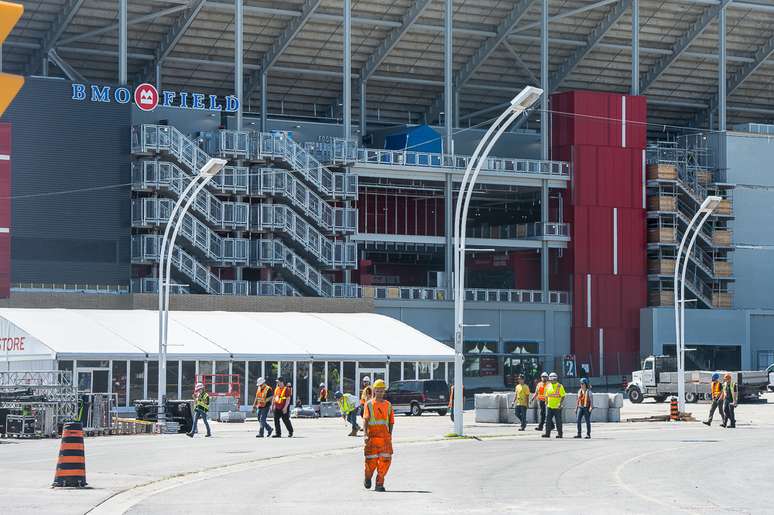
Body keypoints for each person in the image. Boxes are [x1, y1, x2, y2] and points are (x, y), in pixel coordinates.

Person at [363, 379, 394, 492]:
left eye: (382, 390)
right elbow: (365, 420)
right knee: (371, 462)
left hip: (385, 438)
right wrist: (365, 434)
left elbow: (391, 421)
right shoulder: (369, 404)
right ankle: (368, 477)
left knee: (386, 461)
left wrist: (390, 435)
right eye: (378, 390)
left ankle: (379, 484)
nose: (380, 393)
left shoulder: (388, 405)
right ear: (374, 390)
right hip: (372, 438)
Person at [541, 372, 565, 439]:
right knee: (548, 421)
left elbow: (563, 396)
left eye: (554, 379)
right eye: (551, 379)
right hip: (549, 406)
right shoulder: (548, 386)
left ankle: (560, 434)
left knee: (558, 421)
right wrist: (546, 402)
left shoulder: (559, 386)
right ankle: (547, 433)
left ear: (556, 379)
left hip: (557, 407)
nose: (552, 380)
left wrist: (560, 403)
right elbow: (546, 395)